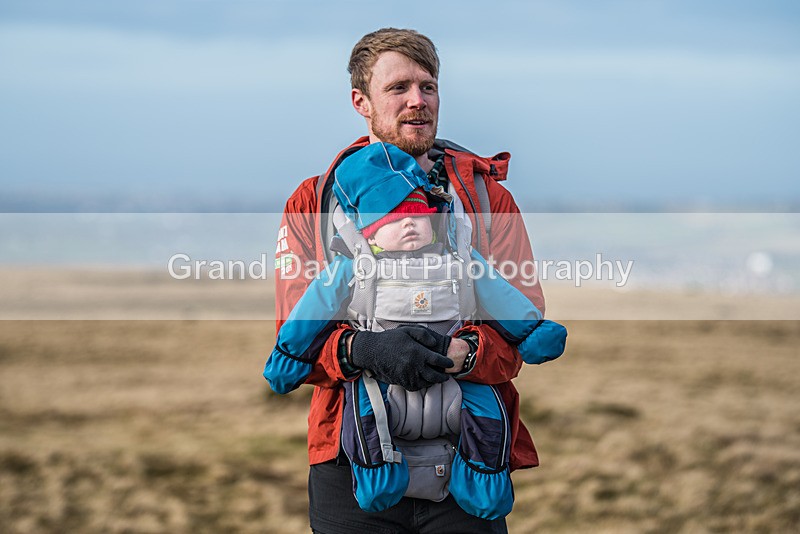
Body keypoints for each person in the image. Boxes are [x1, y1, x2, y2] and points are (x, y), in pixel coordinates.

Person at [271, 28, 550, 534]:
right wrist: (365, 351)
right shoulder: (313, 203)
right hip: (350, 468)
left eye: (428, 86)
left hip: (469, 462)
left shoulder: (488, 202)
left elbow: (522, 328)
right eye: (398, 88)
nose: (417, 101)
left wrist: (464, 353)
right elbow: (294, 336)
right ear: (361, 101)